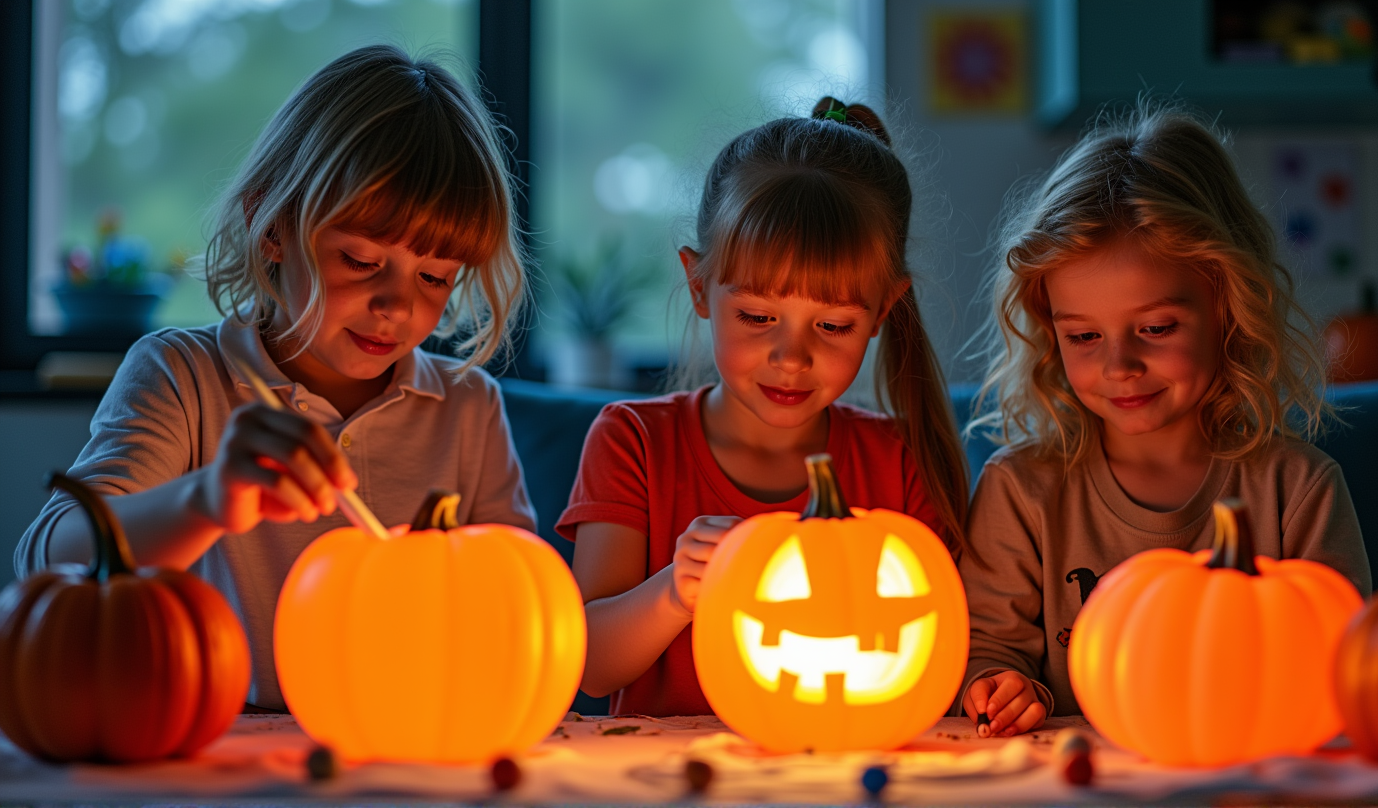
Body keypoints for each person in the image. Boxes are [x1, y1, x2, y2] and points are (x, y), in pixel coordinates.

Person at [16, 45, 534, 711]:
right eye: (361, 260)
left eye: (435, 277)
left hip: (412, 739)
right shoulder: (182, 376)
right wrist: (207, 499)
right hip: (218, 740)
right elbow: (50, 558)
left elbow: (519, 604)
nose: (398, 305)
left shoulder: (468, 406)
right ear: (273, 228)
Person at [961, 105, 1372, 737]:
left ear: (1229, 306)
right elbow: (988, 652)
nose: (1119, 365)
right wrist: (1010, 688)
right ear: (1050, 333)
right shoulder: (1021, 491)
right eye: (1084, 336)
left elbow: (1343, 666)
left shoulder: (1298, 489)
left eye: (1155, 328)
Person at [559, 97, 969, 717]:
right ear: (699, 286)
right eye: (756, 317)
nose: (792, 357)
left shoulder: (900, 459)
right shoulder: (632, 442)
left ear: (884, 310)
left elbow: (935, 656)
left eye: (832, 325)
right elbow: (591, 668)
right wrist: (674, 591)